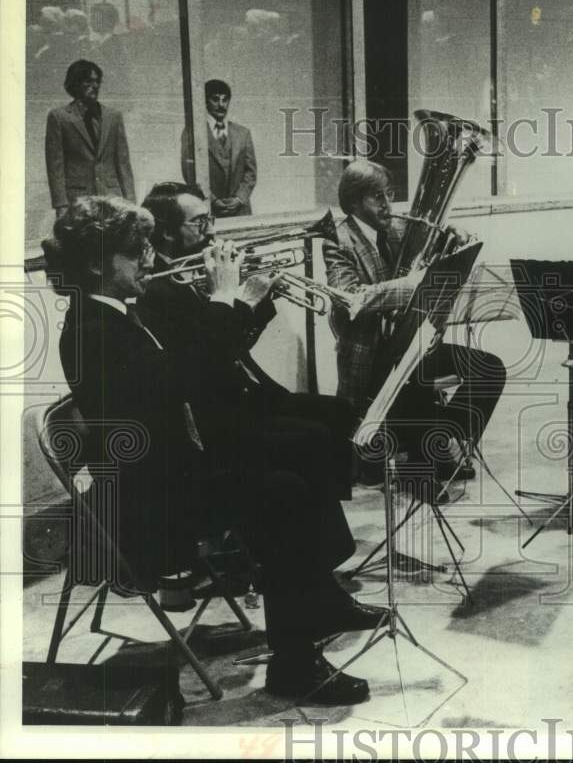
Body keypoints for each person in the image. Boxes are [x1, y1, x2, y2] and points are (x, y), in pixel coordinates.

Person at [42, 196, 377, 704]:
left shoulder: (114, 314)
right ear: (96, 264)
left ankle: (309, 620)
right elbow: (177, 382)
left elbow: (190, 374)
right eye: (135, 253)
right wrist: (225, 301)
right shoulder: (91, 331)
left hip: (173, 471)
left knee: (295, 459)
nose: (150, 260)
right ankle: (294, 665)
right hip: (151, 503)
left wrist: (235, 306)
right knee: (283, 492)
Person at [138, 181, 357, 502]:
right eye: (199, 222)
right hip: (218, 411)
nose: (210, 231)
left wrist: (261, 302)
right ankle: (312, 526)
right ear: (167, 232)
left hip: (246, 390)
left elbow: (236, 345)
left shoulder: (191, 269)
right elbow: (209, 359)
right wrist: (233, 300)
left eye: (209, 219)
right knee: (315, 435)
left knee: (339, 411)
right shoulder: (158, 288)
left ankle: (323, 512)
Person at [319, 159, 507, 490]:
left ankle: (441, 438)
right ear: (353, 201)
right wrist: (414, 286)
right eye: (376, 196)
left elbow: (434, 238)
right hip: (372, 355)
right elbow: (351, 298)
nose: (387, 204)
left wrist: (456, 238)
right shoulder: (338, 240)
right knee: (414, 376)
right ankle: (421, 469)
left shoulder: (394, 227)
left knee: (490, 369)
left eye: (388, 194)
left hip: (409, 343)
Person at [45, 59, 135, 218]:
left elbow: (123, 163)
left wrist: (130, 202)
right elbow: (55, 166)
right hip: (78, 200)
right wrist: (61, 205)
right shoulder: (59, 117)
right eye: (88, 81)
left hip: (112, 198)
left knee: (112, 241)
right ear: (75, 83)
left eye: (97, 81)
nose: (95, 86)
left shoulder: (113, 117)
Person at [181, 79, 257, 217]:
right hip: (209, 209)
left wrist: (239, 199)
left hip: (240, 210)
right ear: (205, 101)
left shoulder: (243, 133)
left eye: (225, 100)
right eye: (215, 99)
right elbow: (189, 174)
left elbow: (250, 173)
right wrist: (213, 200)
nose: (221, 105)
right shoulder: (192, 132)